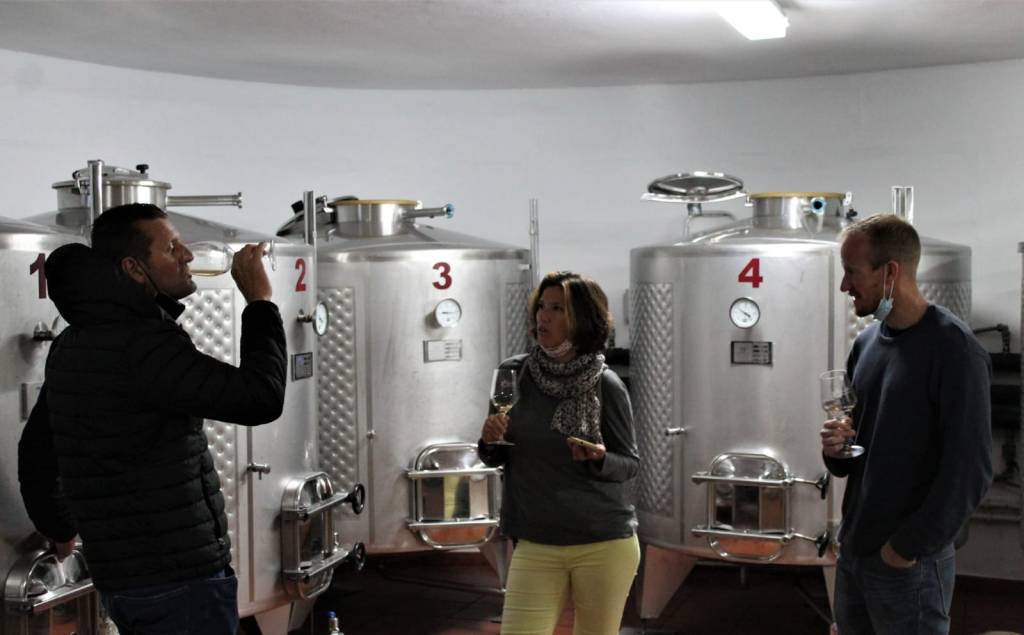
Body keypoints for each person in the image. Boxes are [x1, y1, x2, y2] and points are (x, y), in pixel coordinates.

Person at [18, 203, 287, 635]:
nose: (188, 255)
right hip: (177, 581)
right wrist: (260, 303)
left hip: (125, 580)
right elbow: (261, 398)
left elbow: (37, 449)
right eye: (172, 248)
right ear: (134, 268)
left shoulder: (74, 342)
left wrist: (58, 527)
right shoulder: (143, 345)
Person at [820, 214, 992, 634]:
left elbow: (970, 471)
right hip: (856, 550)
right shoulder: (866, 344)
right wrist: (835, 449)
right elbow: (857, 451)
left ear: (890, 272)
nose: (844, 286)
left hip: (907, 563)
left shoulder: (954, 350)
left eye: (853, 272)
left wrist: (905, 549)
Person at [478, 271, 640, 635]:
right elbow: (497, 455)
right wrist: (488, 441)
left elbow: (629, 464)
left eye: (557, 309)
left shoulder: (606, 383)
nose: (544, 317)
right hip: (536, 538)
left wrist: (599, 459)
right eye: (541, 307)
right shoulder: (513, 374)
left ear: (582, 319)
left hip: (602, 541)